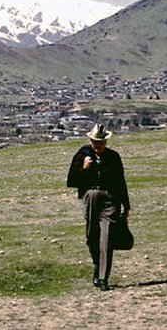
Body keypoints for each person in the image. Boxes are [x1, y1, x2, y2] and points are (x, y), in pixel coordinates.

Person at [66, 123, 130, 291]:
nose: (98, 145)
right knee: (91, 237)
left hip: (110, 200)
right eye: (95, 142)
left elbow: (120, 182)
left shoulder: (114, 157)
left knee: (106, 239)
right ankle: (97, 264)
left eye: (101, 142)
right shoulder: (82, 155)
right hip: (91, 199)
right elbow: (72, 181)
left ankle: (103, 278)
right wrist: (84, 169)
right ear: (90, 141)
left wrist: (126, 205)